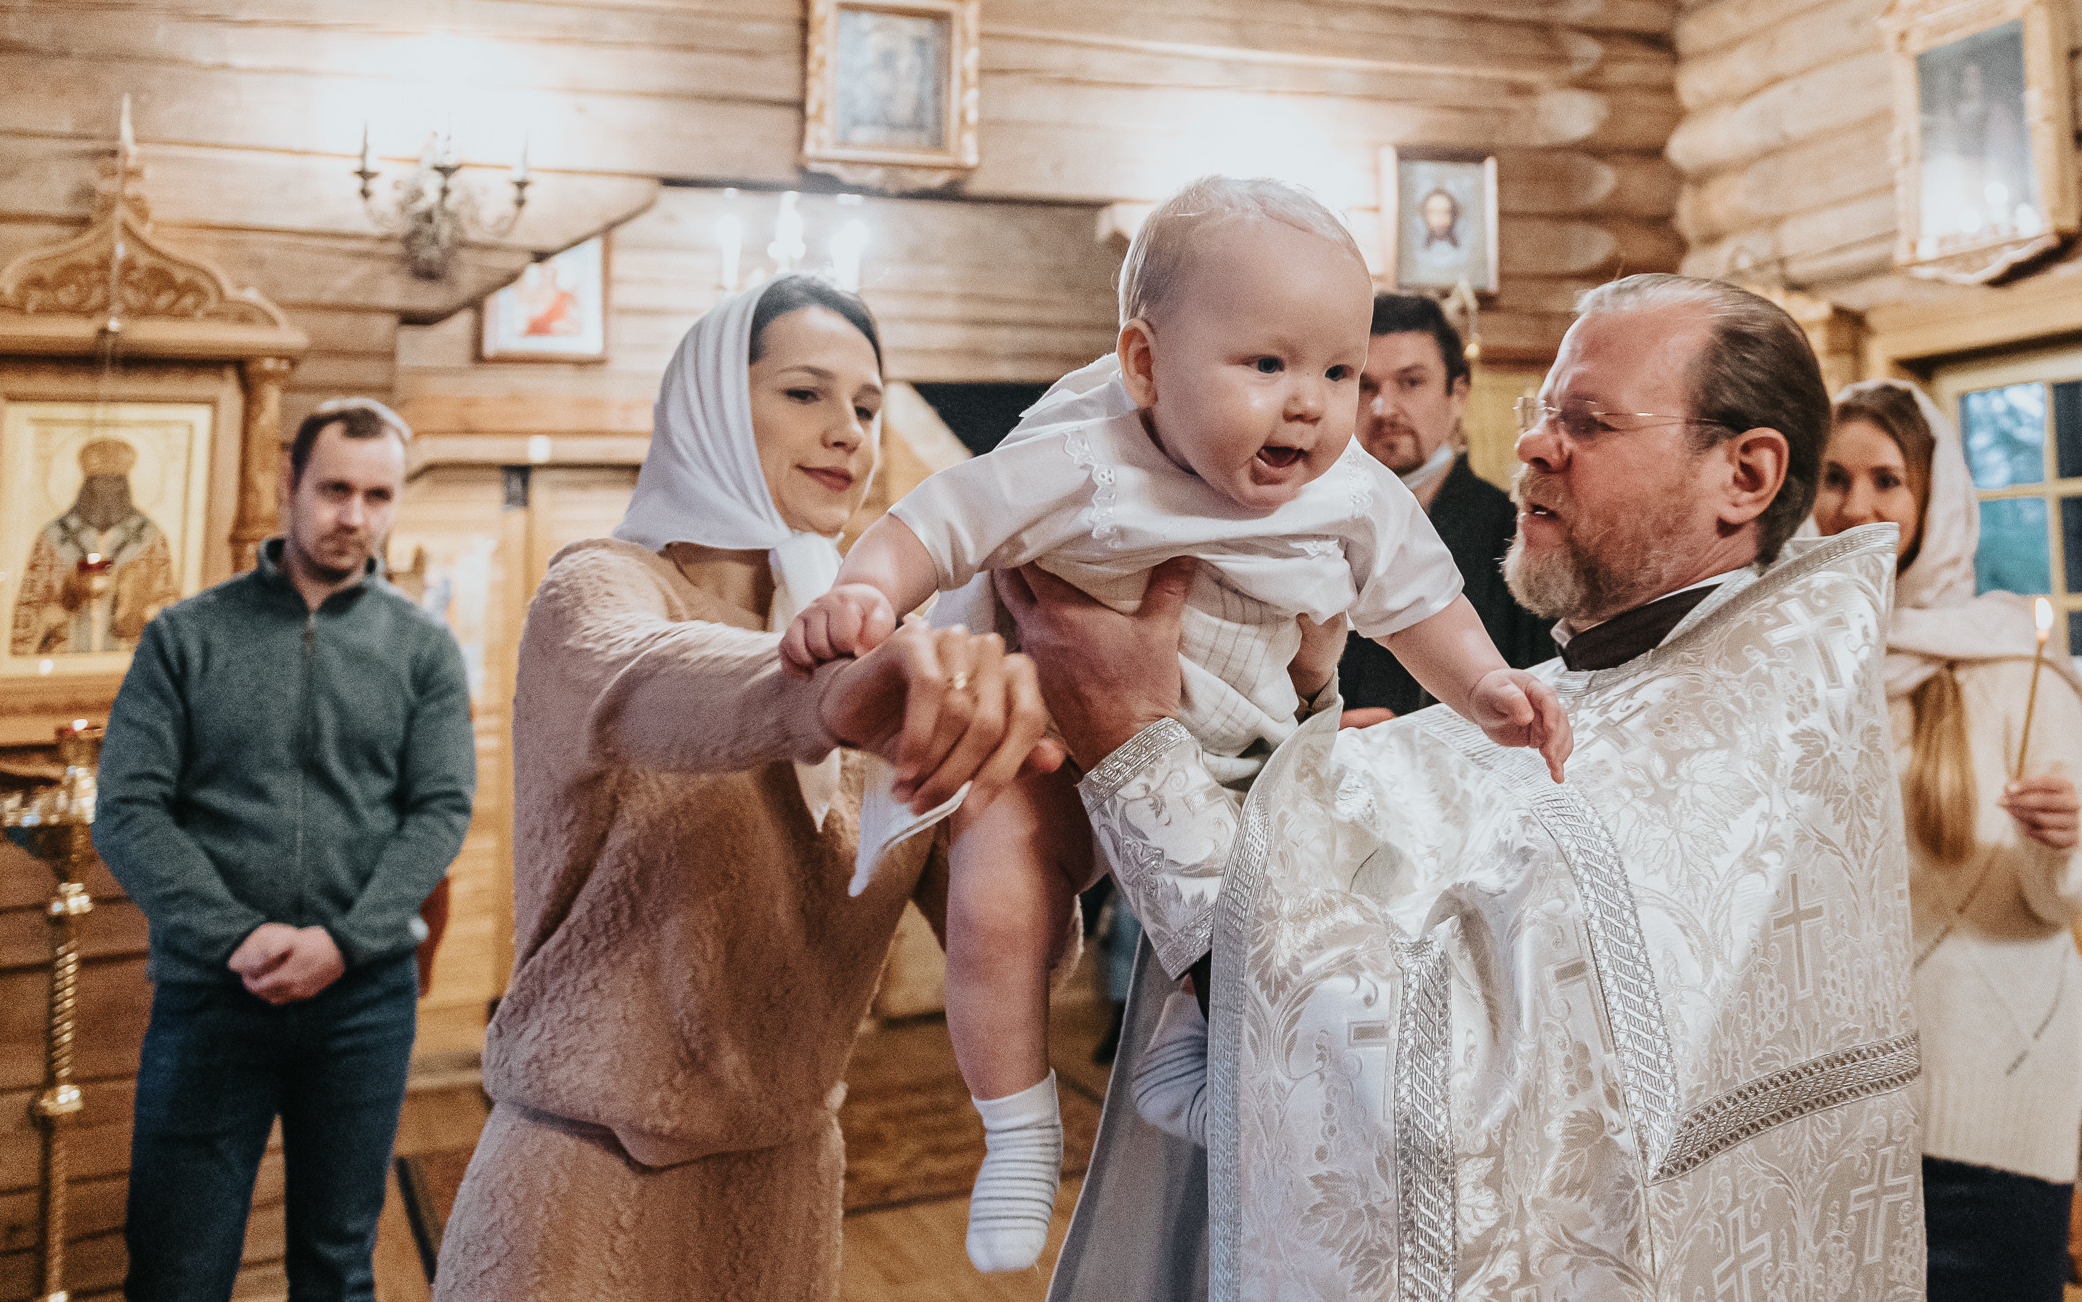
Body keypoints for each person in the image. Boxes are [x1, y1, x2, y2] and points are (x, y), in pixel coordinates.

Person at [1013, 272, 1925, 1300]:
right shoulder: (1613, 684)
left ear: (1745, 475)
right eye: (1543, 409)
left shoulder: (1734, 770)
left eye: (1587, 419)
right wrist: (1308, 746)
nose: (1533, 443)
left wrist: (1135, 752)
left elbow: (1413, 1126)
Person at [779, 178, 1570, 1272]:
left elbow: (1421, 598)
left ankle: (1189, 1043)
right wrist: (864, 592)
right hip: (1058, 745)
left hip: (1252, 757)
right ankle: (1014, 1122)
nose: (1311, 404)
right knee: (998, 882)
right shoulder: (1088, 460)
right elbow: (939, 520)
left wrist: (1484, 688)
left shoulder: (1346, 488)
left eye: (1336, 371)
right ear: (1146, 365)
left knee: (1293, 885)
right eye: (1267, 366)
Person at [430, 276, 1061, 1302]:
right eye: (806, 394)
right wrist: (844, 695)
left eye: (867, 404)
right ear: (715, 405)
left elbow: (1007, 949)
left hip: (785, 1186)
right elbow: (665, 682)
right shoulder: (602, 588)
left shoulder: (889, 654)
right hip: (584, 1179)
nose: (849, 432)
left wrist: (1038, 783)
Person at [94, 398, 475, 1302]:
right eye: (335, 488)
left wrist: (343, 939)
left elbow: (440, 807)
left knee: (338, 1271)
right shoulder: (186, 636)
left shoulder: (422, 648)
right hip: (211, 995)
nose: (354, 516)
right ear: (288, 484)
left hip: (363, 1004)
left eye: (377, 495)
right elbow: (129, 809)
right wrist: (233, 934)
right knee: (176, 1271)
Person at [1817, 380, 2082, 1302]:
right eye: (1834, 477)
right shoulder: (1787, 657)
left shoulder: (2013, 660)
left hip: (1988, 1088)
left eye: (1888, 479)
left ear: (1934, 499)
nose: (1857, 505)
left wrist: (2058, 841)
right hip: (1830, 1093)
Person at [1340, 291, 1556, 721]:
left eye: (1411, 382)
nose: (1384, 408)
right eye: (1365, 386)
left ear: (1458, 394)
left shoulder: (1516, 532)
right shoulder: (1314, 527)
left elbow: (1540, 689)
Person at [12, 434, 177, 655]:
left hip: (127, 663)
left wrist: (141, 608)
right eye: (100, 481)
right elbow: (29, 609)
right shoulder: (53, 537)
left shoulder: (149, 537)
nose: (109, 490)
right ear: (86, 486)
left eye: (116, 481)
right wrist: (60, 606)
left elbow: (168, 607)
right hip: (63, 663)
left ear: (126, 484)